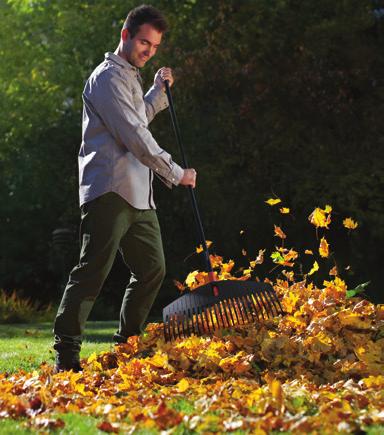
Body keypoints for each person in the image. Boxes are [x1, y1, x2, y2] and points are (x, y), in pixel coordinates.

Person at [53, 4, 196, 372]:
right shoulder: (106, 79)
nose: (148, 51)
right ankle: (66, 352)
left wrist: (155, 90)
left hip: (139, 192)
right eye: (144, 42)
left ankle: (127, 346)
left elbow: (138, 119)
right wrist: (176, 172)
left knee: (153, 269)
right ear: (125, 35)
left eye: (154, 46)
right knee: (92, 269)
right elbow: (134, 136)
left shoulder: (130, 78)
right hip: (110, 189)